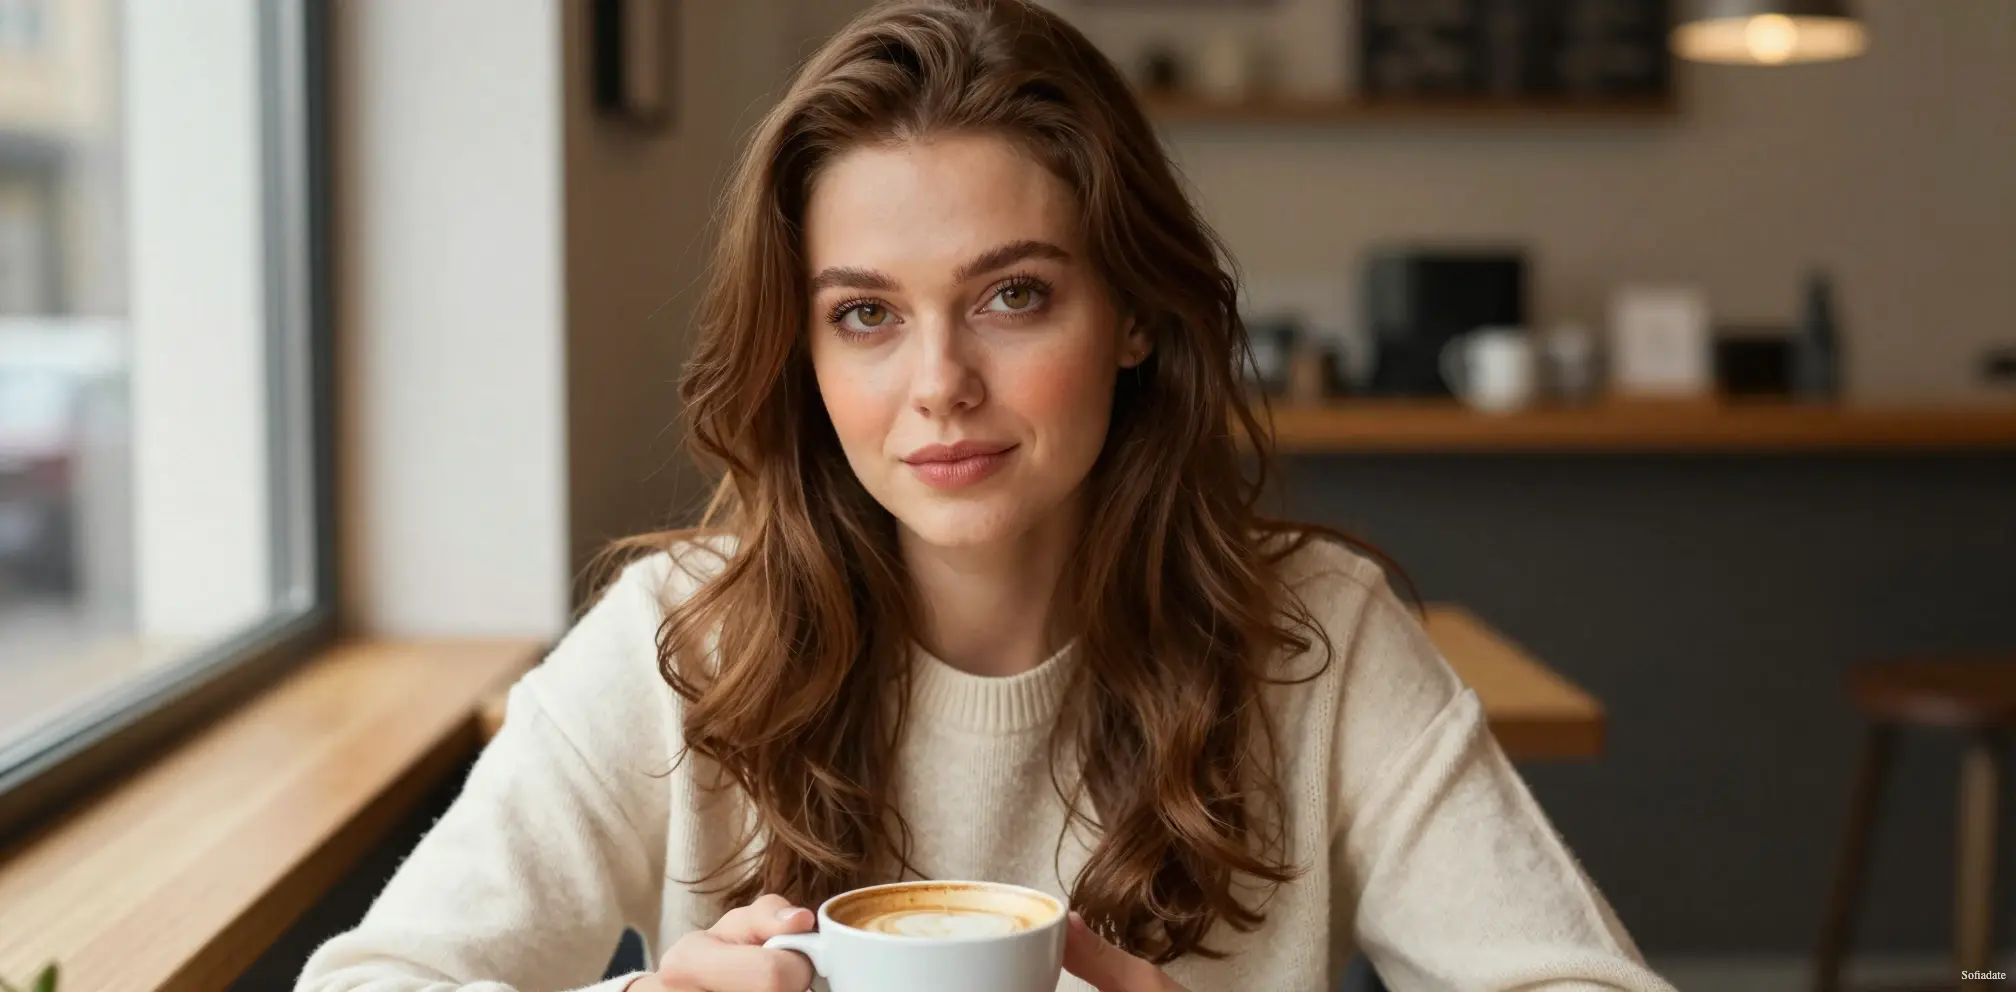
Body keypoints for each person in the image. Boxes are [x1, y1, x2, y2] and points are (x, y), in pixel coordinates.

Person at [297, 2, 1677, 990]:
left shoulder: (1316, 635)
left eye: (1014, 296)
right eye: (865, 315)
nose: (940, 384)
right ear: (803, 345)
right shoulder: (684, 644)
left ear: (1133, 313)